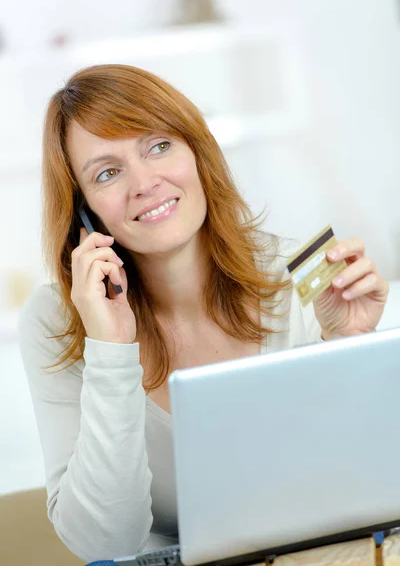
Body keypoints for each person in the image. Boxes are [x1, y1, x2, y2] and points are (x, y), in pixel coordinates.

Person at [18, 64, 389, 563]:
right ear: (84, 212)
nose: (144, 182)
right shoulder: (56, 320)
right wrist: (111, 349)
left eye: (158, 146)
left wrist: (347, 348)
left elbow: (362, 488)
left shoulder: (298, 272)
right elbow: (106, 545)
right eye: (107, 173)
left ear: (197, 152)